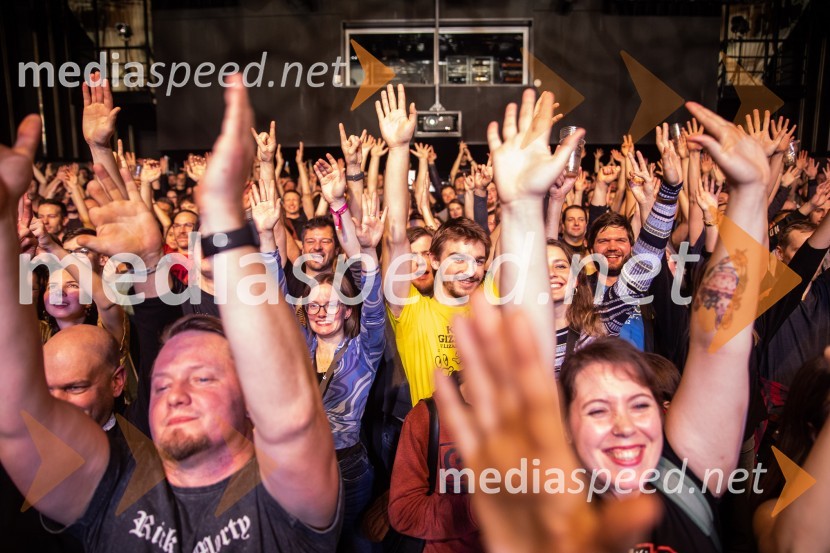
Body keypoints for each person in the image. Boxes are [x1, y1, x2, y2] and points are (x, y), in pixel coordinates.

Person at [0, 76, 341, 551]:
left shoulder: (285, 500)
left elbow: (294, 416)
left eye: (203, 378)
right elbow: (18, 415)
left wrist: (224, 221)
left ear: (251, 395)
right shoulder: (109, 491)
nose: (174, 393)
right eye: (160, 384)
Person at [434, 93, 771, 552]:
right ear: (566, 426)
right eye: (596, 410)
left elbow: (721, 342)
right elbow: (532, 358)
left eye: (640, 405)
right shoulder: (548, 488)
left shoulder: (688, 479)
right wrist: (518, 206)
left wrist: (751, 196)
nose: (624, 424)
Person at [379, 83, 492, 405]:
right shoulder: (412, 308)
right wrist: (399, 149)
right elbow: (396, 234)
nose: (470, 270)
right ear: (436, 260)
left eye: (479, 261)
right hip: (431, 442)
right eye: (458, 258)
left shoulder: (488, 303)